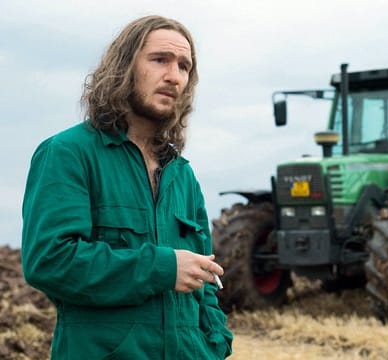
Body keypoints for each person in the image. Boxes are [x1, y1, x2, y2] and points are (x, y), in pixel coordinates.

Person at [21, 15, 233, 359]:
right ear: (124, 66)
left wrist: (215, 343)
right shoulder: (67, 154)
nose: (173, 76)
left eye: (184, 67)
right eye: (160, 59)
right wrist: (163, 268)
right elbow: (50, 261)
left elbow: (205, 280)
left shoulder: (182, 174)